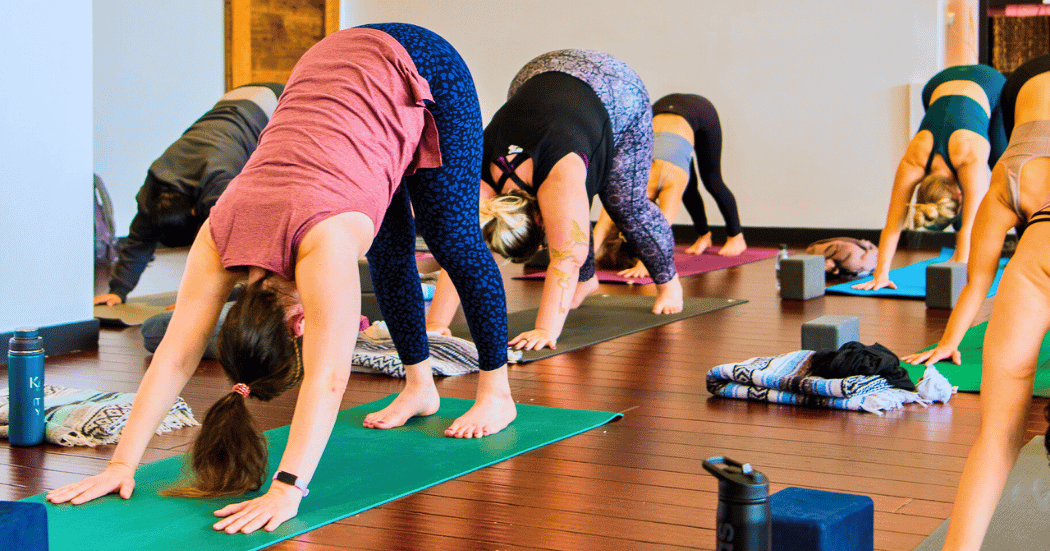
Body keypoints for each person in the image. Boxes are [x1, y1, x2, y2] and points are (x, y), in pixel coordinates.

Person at [47, 23, 515, 535]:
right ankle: (420, 386)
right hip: (331, 75)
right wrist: (121, 466)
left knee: (452, 237)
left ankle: (498, 392)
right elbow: (175, 353)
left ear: (295, 326)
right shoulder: (218, 230)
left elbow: (329, 377)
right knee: (388, 249)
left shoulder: (322, 242)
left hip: (419, 61)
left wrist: (288, 488)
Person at [426, 49, 684, 351]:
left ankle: (669, 285)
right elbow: (463, 249)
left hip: (615, 88)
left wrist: (545, 329)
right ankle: (587, 282)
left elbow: (566, 256)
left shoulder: (557, 179)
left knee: (624, 203)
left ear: (539, 220)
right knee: (570, 214)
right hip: (539, 72)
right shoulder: (480, 182)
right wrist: (436, 324)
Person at [899, 55, 1050, 550]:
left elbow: (976, 281)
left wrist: (949, 341)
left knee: (999, 432)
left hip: (1034, 260)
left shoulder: (1005, 172)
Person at [94, 82, 284, 305]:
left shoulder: (219, 184)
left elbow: (224, 251)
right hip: (239, 100)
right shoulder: (152, 195)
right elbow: (138, 243)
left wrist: (193, 302)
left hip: (273, 104)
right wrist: (118, 291)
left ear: (196, 211)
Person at [854, 64, 1007, 291]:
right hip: (936, 84)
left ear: (958, 194)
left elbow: (971, 224)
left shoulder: (968, 157)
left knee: (1002, 164)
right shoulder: (912, 162)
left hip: (989, 81)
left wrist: (960, 263)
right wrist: (881, 274)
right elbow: (892, 226)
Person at [593, 93, 746, 278]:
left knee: (712, 180)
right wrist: (579, 265)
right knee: (687, 186)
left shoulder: (662, 184)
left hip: (699, 110)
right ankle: (704, 236)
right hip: (663, 108)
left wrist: (646, 264)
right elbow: (600, 229)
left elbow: (661, 230)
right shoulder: (625, 189)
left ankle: (736, 237)